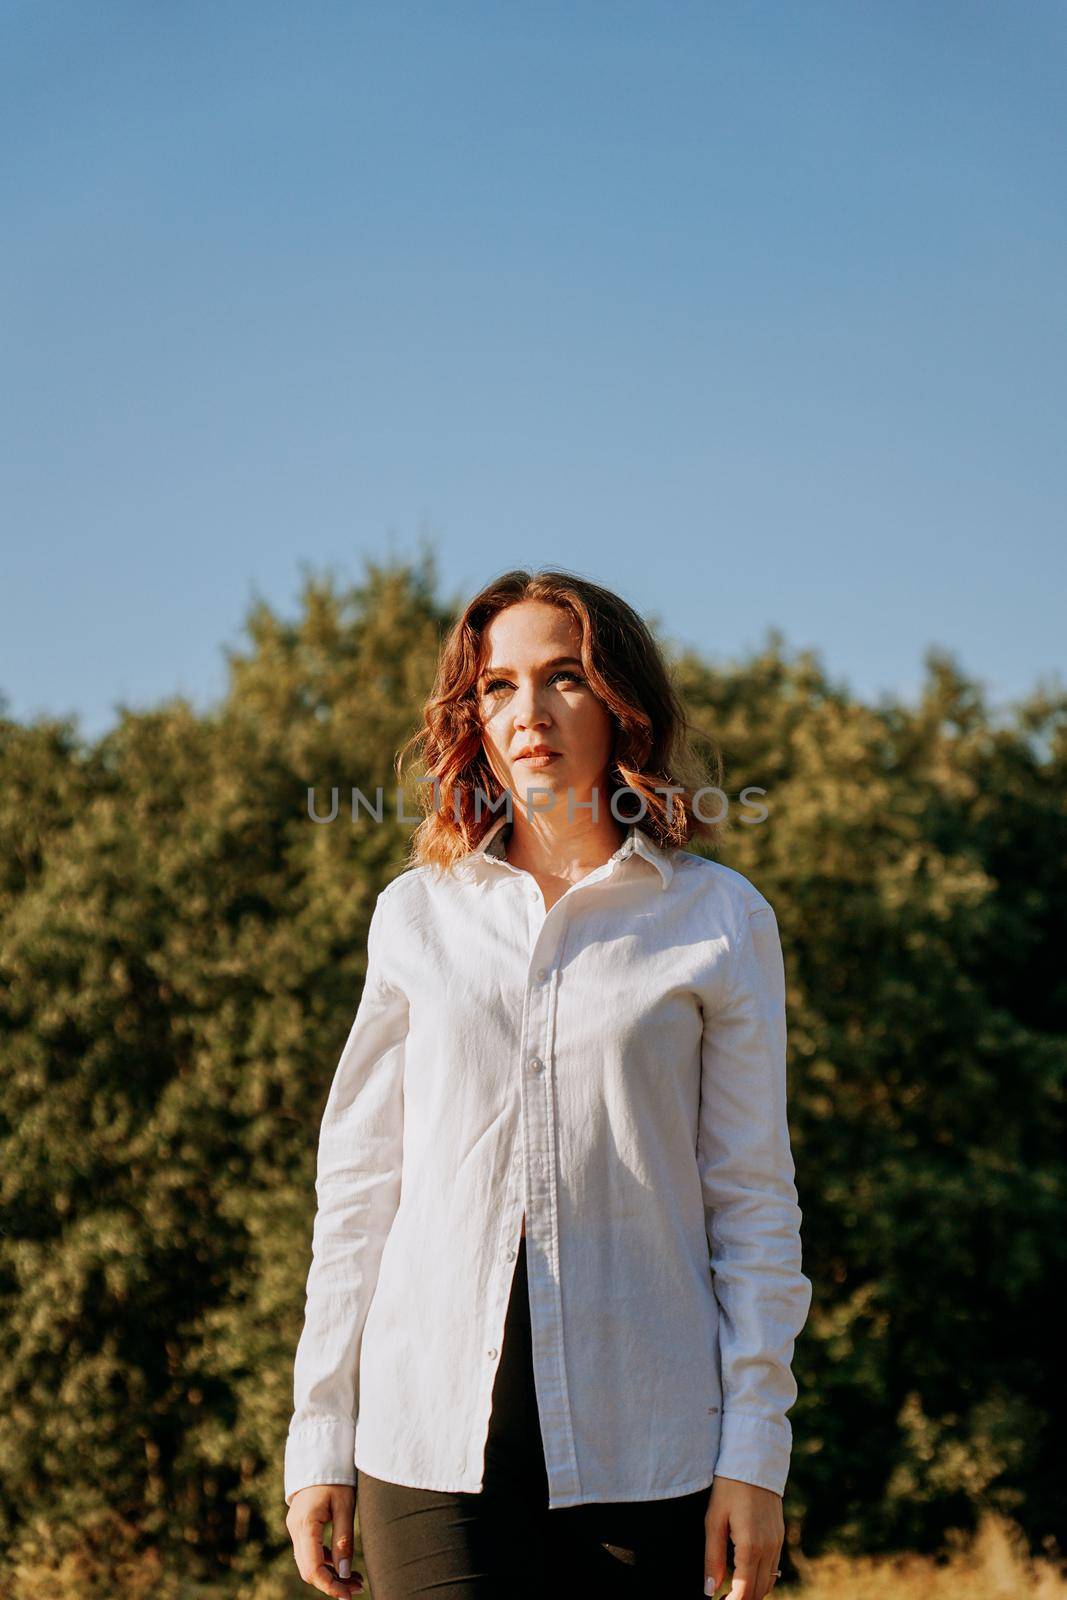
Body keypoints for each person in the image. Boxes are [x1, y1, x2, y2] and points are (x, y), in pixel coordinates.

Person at [284, 569, 812, 1599]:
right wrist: (319, 1435)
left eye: (562, 678)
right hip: (426, 1442)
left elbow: (751, 1198)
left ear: (622, 706)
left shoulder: (719, 919)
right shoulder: (415, 916)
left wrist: (754, 1450)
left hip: (649, 1441)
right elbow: (356, 1191)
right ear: (469, 718)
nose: (527, 714)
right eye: (495, 686)